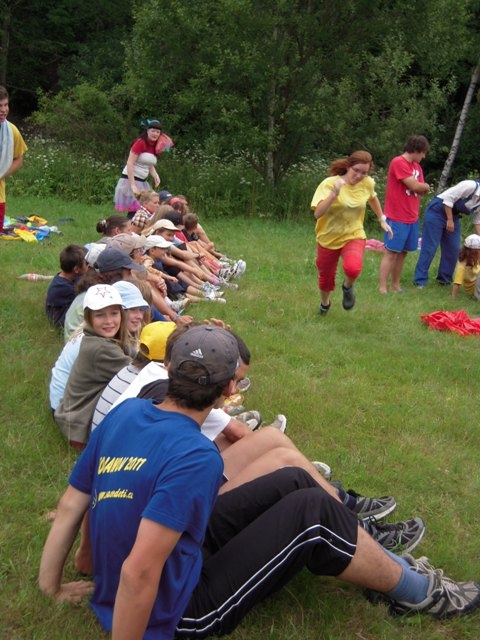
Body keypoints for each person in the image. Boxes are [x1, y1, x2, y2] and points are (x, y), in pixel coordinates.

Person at [39, 330, 480, 636]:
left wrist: (53, 586)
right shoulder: (195, 456)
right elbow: (139, 573)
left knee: (292, 479)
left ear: (169, 368)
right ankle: (418, 594)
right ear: (229, 390)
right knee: (315, 515)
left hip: (159, 567)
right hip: (176, 612)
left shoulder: (127, 413)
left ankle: (388, 561)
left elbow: (72, 506)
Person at [311, 150, 392, 314]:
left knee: (353, 268)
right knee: (326, 278)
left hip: (354, 233)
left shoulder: (367, 183)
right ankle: (325, 304)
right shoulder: (330, 184)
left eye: (364, 172)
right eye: (356, 170)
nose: (359, 176)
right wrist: (334, 194)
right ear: (348, 166)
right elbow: (318, 213)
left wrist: (382, 219)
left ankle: (347, 287)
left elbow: (372, 197)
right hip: (329, 237)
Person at [53, 284, 131, 450]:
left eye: (114, 313)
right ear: (88, 317)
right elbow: (139, 374)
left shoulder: (98, 337)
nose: (108, 321)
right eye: (100, 315)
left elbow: (136, 356)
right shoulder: (100, 348)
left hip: (73, 416)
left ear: (121, 314)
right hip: (80, 427)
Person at [378, 135, 430, 293]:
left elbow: (422, 190)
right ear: (416, 150)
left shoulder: (417, 167)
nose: (424, 156)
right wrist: (423, 186)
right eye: (423, 152)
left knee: (403, 253)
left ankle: (395, 285)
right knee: (391, 252)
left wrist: (422, 186)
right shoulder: (398, 162)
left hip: (412, 216)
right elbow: (415, 186)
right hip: (396, 216)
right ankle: (382, 287)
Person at [413, 178, 480, 287]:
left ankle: (444, 280)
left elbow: (477, 221)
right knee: (430, 247)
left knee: (453, 248)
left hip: (454, 215)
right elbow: (448, 199)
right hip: (437, 210)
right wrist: (449, 220)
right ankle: (419, 280)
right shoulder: (470, 185)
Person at [114, 119, 165, 216]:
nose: (155, 134)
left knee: (144, 209)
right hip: (130, 179)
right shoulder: (140, 142)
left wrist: (155, 175)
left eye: (157, 132)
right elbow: (130, 163)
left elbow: (149, 164)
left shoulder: (155, 146)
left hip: (142, 181)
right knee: (136, 210)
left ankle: (135, 225)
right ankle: (130, 225)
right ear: (147, 131)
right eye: (153, 131)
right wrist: (133, 185)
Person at [0, 86, 28, 234]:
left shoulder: (12, 131)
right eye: (0, 106)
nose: (4, 110)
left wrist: (1, 174)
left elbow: (18, 160)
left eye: (6, 105)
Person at [45, 244, 88, 329]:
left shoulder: (66, 278)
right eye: (87, 264)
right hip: (61, 321)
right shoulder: (66, 288)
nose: (89, 266)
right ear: (76, 269)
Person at [451, 234, 480, 298]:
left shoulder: (474, 259)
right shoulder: (462, 267)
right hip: (473, 290)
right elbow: (456, 283)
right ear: (473, 253)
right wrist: (453, 298)